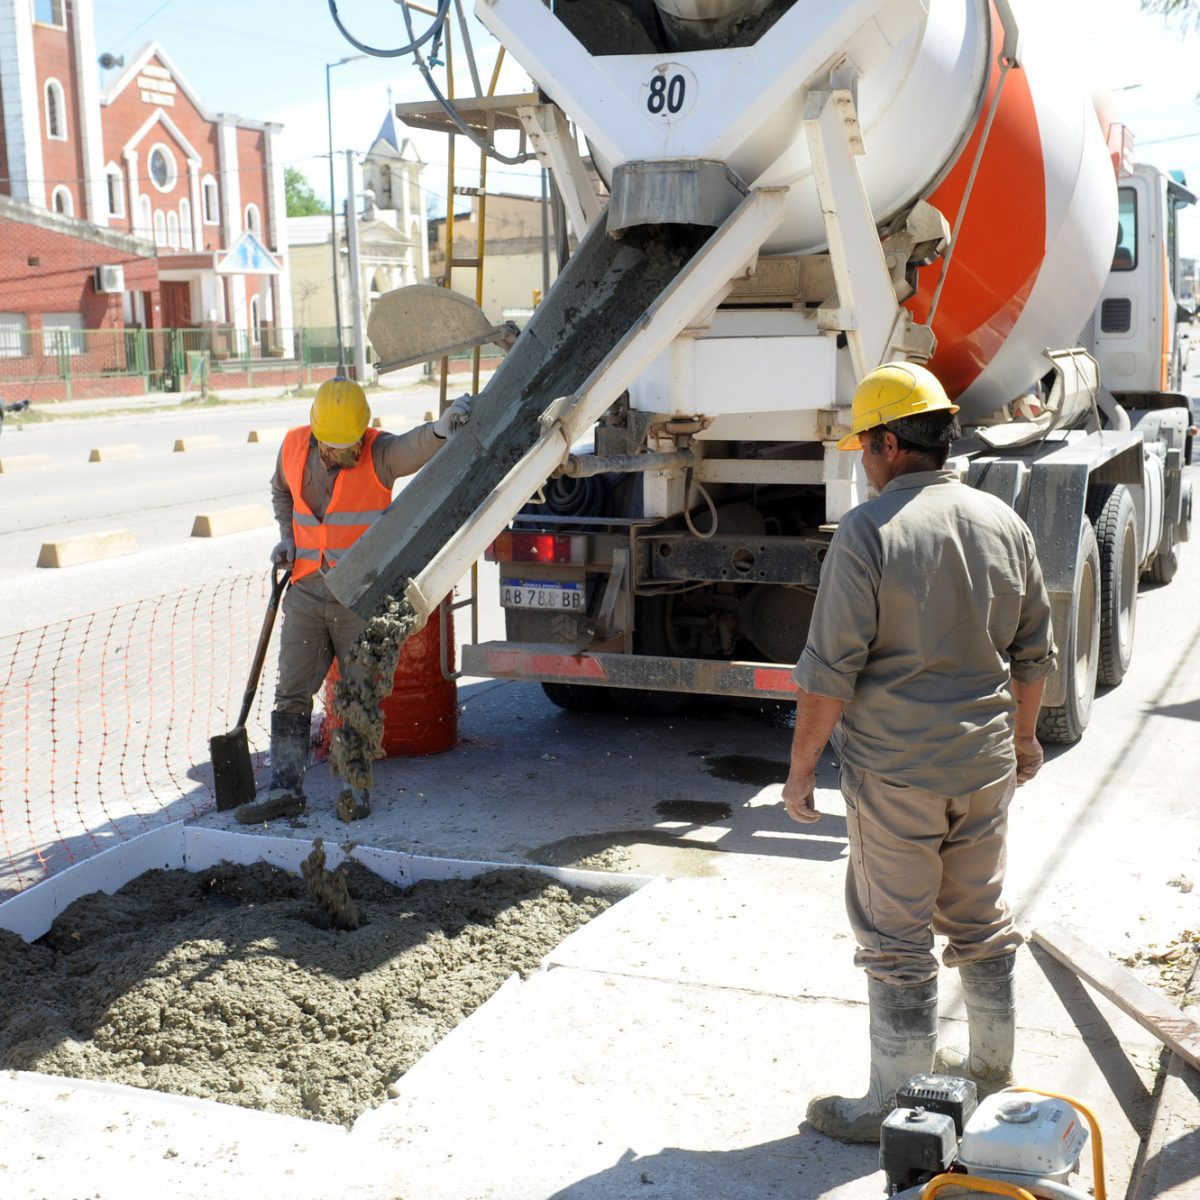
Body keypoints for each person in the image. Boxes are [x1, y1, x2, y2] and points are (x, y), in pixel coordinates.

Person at [780, 361, 1057, 1144]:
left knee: (895, 940)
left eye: (865, 449)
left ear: (891, 445)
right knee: (981, 920)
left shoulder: (870, 531)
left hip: (897, 773)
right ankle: (992, 1076)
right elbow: (1035, 652)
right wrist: (1024, 737)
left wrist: (800, 772)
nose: (864, 466)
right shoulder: (1002, 521)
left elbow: (828, 672)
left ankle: (890, 1108)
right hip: (985, 765)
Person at [233, 376, 472, 825]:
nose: (339, 454)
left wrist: (440, 429)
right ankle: (285, 789)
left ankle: (355, 789)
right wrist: (288, 538)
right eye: (331, 447)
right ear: (316, 432)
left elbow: (411, 447)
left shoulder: (378, 452)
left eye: (348, 446)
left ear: (362, 432)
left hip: (359, 598)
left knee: (359, 694)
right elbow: (281, 491)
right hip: (306, 589)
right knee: (291, 693)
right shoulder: (293, 447)